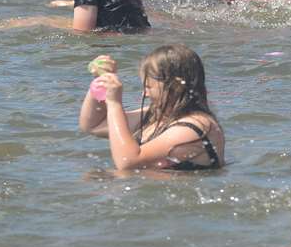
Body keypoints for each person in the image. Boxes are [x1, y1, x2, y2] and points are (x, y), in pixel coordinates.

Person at [79, 45, 225, 173]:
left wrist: (114, 103)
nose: (144, 94)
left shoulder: (195, 126)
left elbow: (127, 162)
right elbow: (93, 125)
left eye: (148, 87)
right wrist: (101, 82)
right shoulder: (156, 115)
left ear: (175, 86)